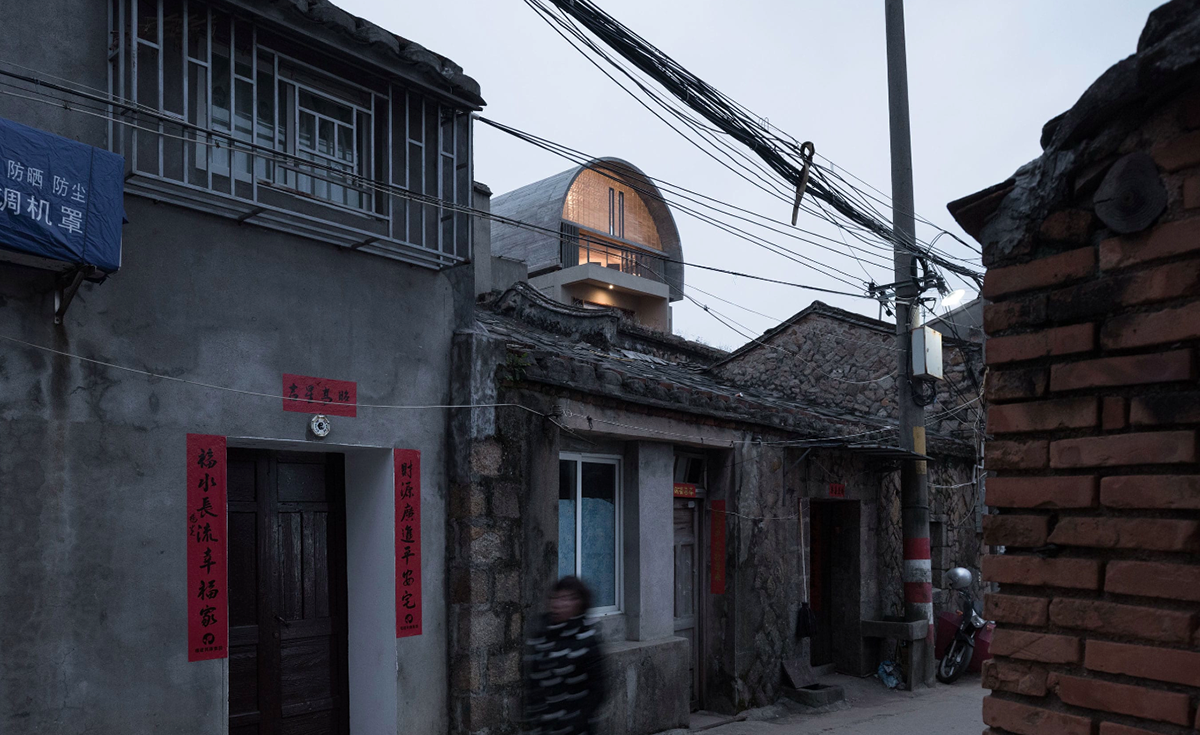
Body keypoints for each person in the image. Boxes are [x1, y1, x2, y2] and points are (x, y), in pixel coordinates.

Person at [523, 576, 607, 735]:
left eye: (566, 599)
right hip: (544, 727)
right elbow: (533, 680)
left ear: (579, 603)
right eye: (555, 598)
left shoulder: (586, 639)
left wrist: (577, 721)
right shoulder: (542, 634)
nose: (558, 604)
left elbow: (598, 689)